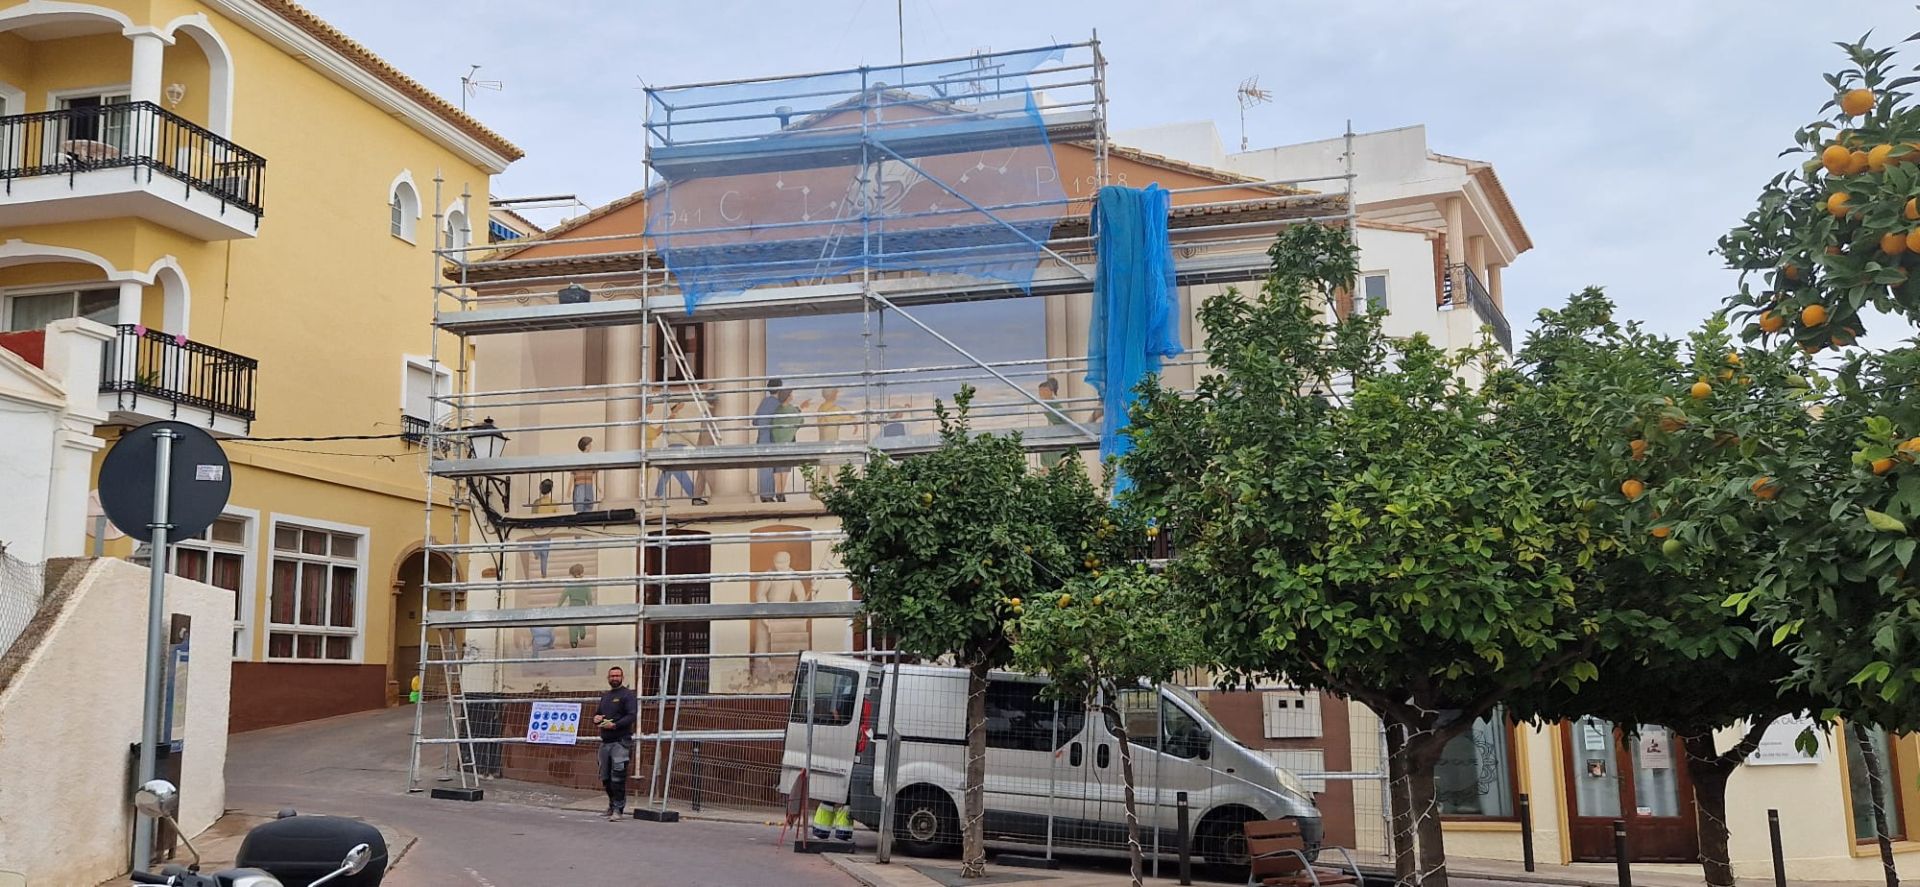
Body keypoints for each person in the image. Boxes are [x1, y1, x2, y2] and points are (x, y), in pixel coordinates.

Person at [592, 666, 639, 821]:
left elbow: (631, 715)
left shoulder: (628, 695)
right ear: (608, 677)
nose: (615, 678)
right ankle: (612, 805)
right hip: (605, 742)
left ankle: (619, 809)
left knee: (618, 777)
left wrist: (615, 725)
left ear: (622, 677)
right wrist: (596, 719)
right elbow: (598, 713)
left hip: (620, 742)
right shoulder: (605, 696)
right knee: (605, 777)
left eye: (617, 675)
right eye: (612, 675)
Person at [753, 381, 810, 501]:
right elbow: (791, 419)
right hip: (773, 441)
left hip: (762, 440)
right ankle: (772, 495)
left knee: (766, 468)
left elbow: (754, 421)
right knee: (775, 469)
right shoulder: (777, 405)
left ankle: (766, 495)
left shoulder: (765, 402)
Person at [654, 401, 703, 504]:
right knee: (679, 473)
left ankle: (658, 496)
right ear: (678, 406)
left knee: (668, 472)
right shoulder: (677, 418)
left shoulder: (669, 419)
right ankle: (694, 496)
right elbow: (686, 433)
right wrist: (697, 445)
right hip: (678, 447)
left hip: (672, 446)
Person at [560, 563, 592, 649]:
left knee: (572, 624)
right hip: (582, 605)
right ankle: (582, 633)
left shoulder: (570, 585)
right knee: (581, 621)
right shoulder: (586, 585)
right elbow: (589, 597)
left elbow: (563, 595)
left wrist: (558, 606)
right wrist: (590, 606)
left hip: (573, 605)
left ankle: (573, 641)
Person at [571, 436, 597, 513]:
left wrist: (598, 486)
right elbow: (573, 474)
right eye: (589, 444)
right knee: (579, 504)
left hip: (589, 484)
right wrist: (569, 489)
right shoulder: (577, 459)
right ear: (585, 445)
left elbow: (594, 473)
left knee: (589, 503)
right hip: (580, 484)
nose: (590, 446)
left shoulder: (592, 459)